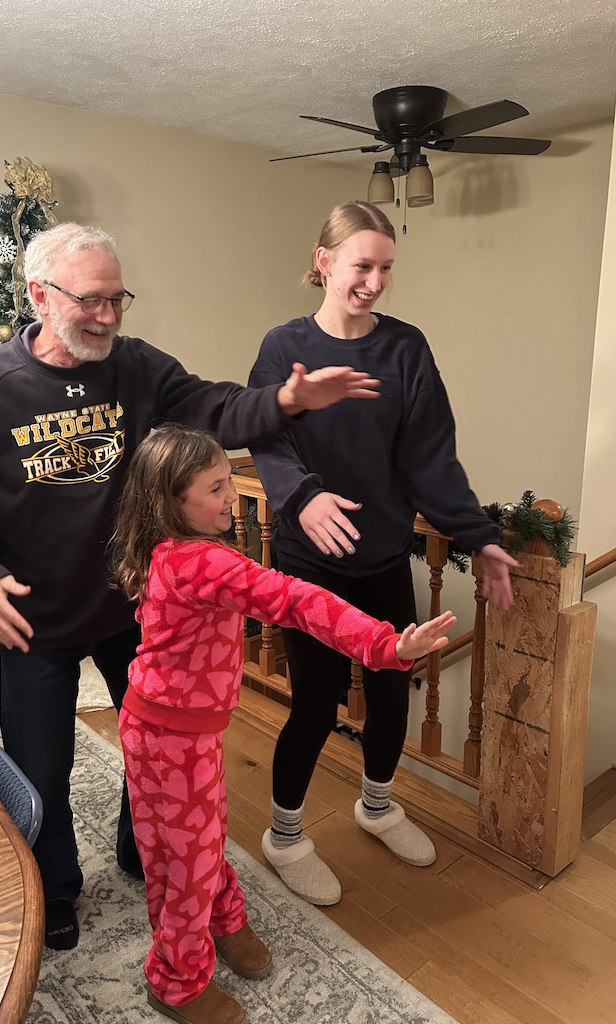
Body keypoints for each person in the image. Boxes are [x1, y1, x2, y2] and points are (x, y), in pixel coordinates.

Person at [0, 222, 386, 950]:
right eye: (92, 302)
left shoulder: (136, 367)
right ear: (40, 295)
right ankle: (55, 890)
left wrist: (288, 401)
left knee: (158, 754)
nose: (109, 317)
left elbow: (217, 408)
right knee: (39, 772)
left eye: (118, 300)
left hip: (133, 606)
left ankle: (147, 853)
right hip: (35, 619)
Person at [111, 423, 456, 1024]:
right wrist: (382, 644)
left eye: (228, 482)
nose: (230, 496)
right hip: (168, 736)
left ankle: (222, 920)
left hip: (177, 729)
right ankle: (176, 981)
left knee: (198, 839)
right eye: (216, 488)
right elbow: (294, 599)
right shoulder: (199, 563)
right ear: (172, 501)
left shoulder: (176, 548)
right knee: (180, 861)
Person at [247, 200, 518, 906]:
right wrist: (302, 495)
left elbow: (430, 455)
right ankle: (284, 836)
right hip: (310, 564)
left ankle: (376, 806)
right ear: (324, 262)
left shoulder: (406, 348)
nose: (374, 280)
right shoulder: (284, 346)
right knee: (314, 704)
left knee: (395, 690)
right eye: (361, 265)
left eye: (386, 268)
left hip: (384, 557)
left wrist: (479, 536)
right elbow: (266, 435)